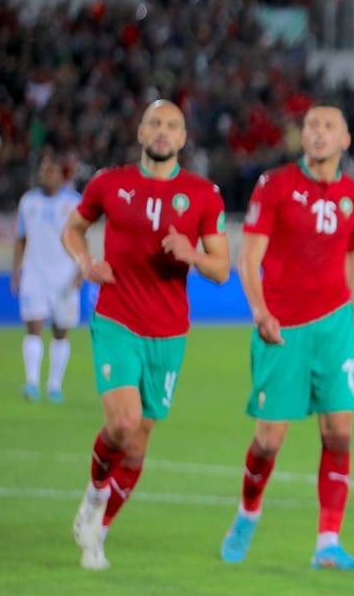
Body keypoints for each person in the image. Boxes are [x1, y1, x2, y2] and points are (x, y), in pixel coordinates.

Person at [60, 100, 230, 570]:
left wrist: (191, 254)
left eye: (172, 125)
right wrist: (85, 264)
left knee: (138, 441)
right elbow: (73, 230)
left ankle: (100, 530)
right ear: (140, 132)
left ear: (182, 139)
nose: (162, 131)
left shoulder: (202, 195)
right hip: (116, 319)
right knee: (123, 423)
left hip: (169, 332)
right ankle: (93, 498)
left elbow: (221, 268)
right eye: (154, 123)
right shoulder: (108, 184)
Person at [219, 105, 354, 571]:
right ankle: (248, 512)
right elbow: (248, 256)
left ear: (345, 139)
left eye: (328, 126)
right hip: (282, 326)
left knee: (339, 430)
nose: (319, 133)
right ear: (302, 136)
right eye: (311, 126)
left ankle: (328, 541)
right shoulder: (276, 185)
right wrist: (260, 311)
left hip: (335, 326)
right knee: (269, 439)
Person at [11, 150, 82, 403]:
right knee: (33, 327)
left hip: (65, 275)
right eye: (42, 170)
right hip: (34, 273)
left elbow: (80, 238)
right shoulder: (28, 202)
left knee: (61, 331)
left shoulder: (74, 202)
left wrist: (81, 269)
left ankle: (54, 385)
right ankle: (31, 383)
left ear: (61, 175)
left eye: (50, 171)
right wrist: (15, 271)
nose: (45, 175)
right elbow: (20, 238)